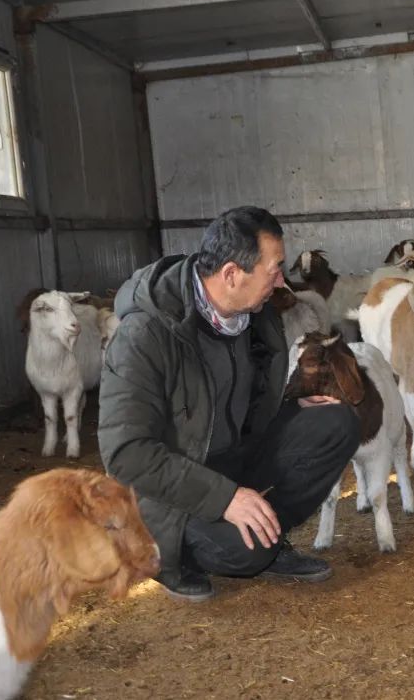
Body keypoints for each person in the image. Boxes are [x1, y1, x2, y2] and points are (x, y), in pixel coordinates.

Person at [98, 206, 361, 601]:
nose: (280, 283)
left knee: (337, 423)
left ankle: (269, 536)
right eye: (273, 270)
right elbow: (126, 454)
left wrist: (291, 408)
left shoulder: (253, 314)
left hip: (231, 461)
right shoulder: (146, 335)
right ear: (232, 275)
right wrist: (223, 498)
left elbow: (246, 399)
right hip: (171, 489)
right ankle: (169, 554)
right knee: (247, 552)